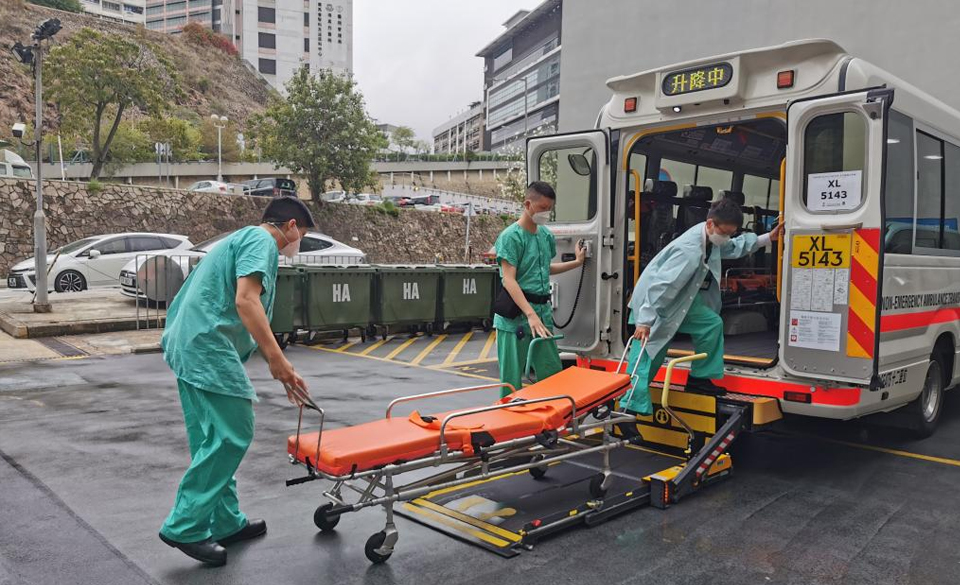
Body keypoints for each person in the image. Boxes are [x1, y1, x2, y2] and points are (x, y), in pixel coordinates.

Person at [158, 197, 315, 567]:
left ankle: (225, 521)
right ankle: (185, 526)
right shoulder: (262, 241)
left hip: (188, 342)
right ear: (290, 226)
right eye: (303, 235)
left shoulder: (240, 238)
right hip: (206, 345)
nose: (299, 243)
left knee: (211, 438)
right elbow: (247, 301)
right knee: (233, 433)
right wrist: (278, 361)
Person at [619, 198, 782, 415]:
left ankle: (699, 378)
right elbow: (662, 287)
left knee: (711, 325)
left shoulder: (710, 237)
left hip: (682, 298)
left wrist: (767, 238)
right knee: (649, 352)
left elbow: (732, 247)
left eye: (731, 233)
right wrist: (645, 321)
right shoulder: (689, 250)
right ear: (710, 224)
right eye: (725, 232)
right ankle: (628, 407)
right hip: (655, 303)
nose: (727, 237)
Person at [494, 181, 586, 397]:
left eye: (550, 209)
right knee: (511, 380)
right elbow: (509, 280)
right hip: (516, 318)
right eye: (543, 208)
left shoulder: (545, 236)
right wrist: (530, 315)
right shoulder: (510, 237)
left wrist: (577, 262)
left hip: (541, 314)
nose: (546, 213)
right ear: (528, 204)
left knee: (551, 372)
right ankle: (510, 416)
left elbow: (544, 269)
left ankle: (551, 415)